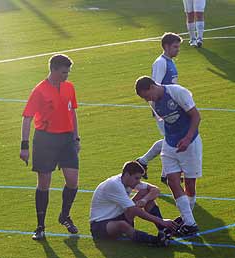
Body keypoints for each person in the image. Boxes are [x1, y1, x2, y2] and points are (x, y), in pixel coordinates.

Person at [19, 54, 80, 240]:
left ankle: (64, 216)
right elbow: (27, 118)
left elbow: (73, 113)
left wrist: (76, 138)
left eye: (68, 72)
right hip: (45, 140)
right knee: (44, 183)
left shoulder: (69, 87)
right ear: (53, 69)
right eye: (63, 72)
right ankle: (40, 226)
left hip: (67, 139)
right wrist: (24, 146)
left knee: (72, 181)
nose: (66, 76)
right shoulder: (39, 91)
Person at [135, 76, 202, 236]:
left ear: (152, 86)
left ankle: (187, 218)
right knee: (172, 180)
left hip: (190, 144)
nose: (147, 100)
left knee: (190, 185)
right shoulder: (154, 103)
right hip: (170, 145)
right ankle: (190, 223)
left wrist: (187, 138)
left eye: (146, 96)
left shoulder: (177, 92)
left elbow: (196, 116)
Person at [89, 161, 178, 246]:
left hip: (118, 216)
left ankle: (163, 229)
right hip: (100, 225)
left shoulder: (127, 180)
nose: (138, 181)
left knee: (145, 192)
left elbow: (155, 190)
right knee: (122, 224)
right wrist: (161, 221)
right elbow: (134, 210)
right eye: (136, 178)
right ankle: (156, 241)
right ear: (127, 175)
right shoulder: (114, 185)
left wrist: (144, 200)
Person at [136, 33, 182, 184]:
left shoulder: (170, 62)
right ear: (166, 46)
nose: (178, 50)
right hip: (164, 110)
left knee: (171, 140)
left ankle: (156, 169)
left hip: (172, 108)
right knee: (172, 140)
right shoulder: (161, 63)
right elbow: (152, 87)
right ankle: (145, 163)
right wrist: (157, 111)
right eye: (175, 47)